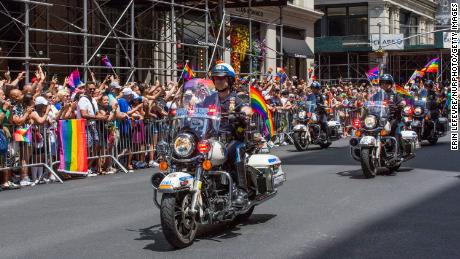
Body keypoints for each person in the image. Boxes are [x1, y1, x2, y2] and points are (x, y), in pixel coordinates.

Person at [211, 62, 252, 207]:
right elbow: (196, 107)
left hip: (231, 139)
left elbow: (247, 108)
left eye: (222, 78)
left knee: (236, 150)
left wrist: (244, 113)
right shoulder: (210, 99)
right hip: (212, 139)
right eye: (216, 78)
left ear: (229, 80)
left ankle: (242, 191)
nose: (219, 81)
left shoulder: (237, 98)